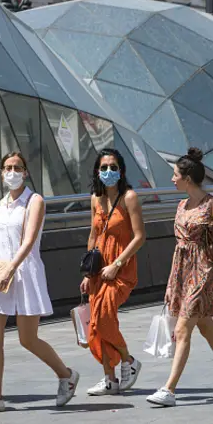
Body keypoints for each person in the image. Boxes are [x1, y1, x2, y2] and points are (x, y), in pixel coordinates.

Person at [0, 152, 79, 413]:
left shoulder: (34, 200)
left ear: (26, 172)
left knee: (27, 339)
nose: (12, 172)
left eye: (17, 167)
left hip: (24, 272)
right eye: (7, 167)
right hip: (0, 273)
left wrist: (12, 269)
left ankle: (66, 375)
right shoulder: (2, 203)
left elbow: (28, 241)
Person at [147, 147, 213, 408]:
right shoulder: (181, 205)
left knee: (182, 329)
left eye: (175, 175)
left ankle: (169, 389)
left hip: (205, 271)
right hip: (182, 271)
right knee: (205, 326)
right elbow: (179, 246)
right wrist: (172, 284)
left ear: (187, 178)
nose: (172, 179)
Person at [81, 148, 146, 396]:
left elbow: (139, 237)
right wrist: (88, 273)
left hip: (120, 268)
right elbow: (93, 235)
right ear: (98, 171)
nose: (109, 171)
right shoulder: (95, 199)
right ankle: (110, 379)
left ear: (121, 170)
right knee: (95, 325)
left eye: (114, 167)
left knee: (105, 318)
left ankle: (129, 361)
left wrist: (117, 264)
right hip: (98, 269)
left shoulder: (129, 197)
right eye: (104, 167)